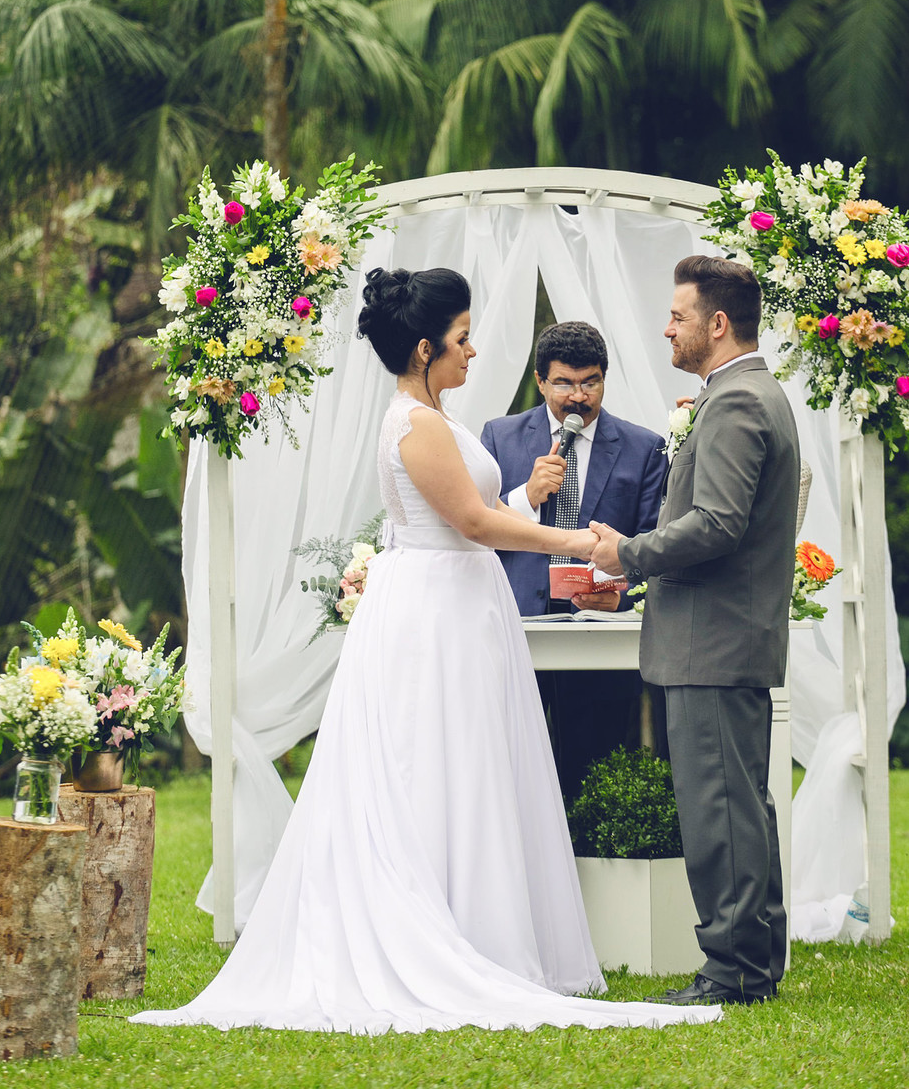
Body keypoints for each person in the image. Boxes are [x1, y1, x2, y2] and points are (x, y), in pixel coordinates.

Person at [133, 266, 719, 1036]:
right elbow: (472, 527)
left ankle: (479, 926)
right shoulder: (414, 423)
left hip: (457, 604)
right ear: (423, 347)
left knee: (472, 768)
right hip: (434, 615)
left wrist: (525, 504)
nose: (474, 353)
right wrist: (576, 539)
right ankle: (444, 933)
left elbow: (466, 516)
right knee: (436, 766)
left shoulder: (433, 414)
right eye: (463, 339)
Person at [589, 256, 799, 1008]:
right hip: (722, 639)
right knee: (739, 805)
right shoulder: (739, 395)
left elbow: (716, 524)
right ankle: (753, 961)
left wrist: (626, 554)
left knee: (720, 809)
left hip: (713, 641)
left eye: (677, 316)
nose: (667, 327)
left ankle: (735, 969)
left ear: (716, 324)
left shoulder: (739, 403)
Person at [482, 321, 665, 799]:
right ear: (541, 381)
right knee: (512, 779)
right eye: (564, 382)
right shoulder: (499, 439)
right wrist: (525, 496)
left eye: (591, 382)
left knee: (591, 776)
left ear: (604, 379)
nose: (578, 397)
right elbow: (476, 529)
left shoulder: (645, 449)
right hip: (517, 628)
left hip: (598, 636)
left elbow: (652, 545)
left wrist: (622, 596)